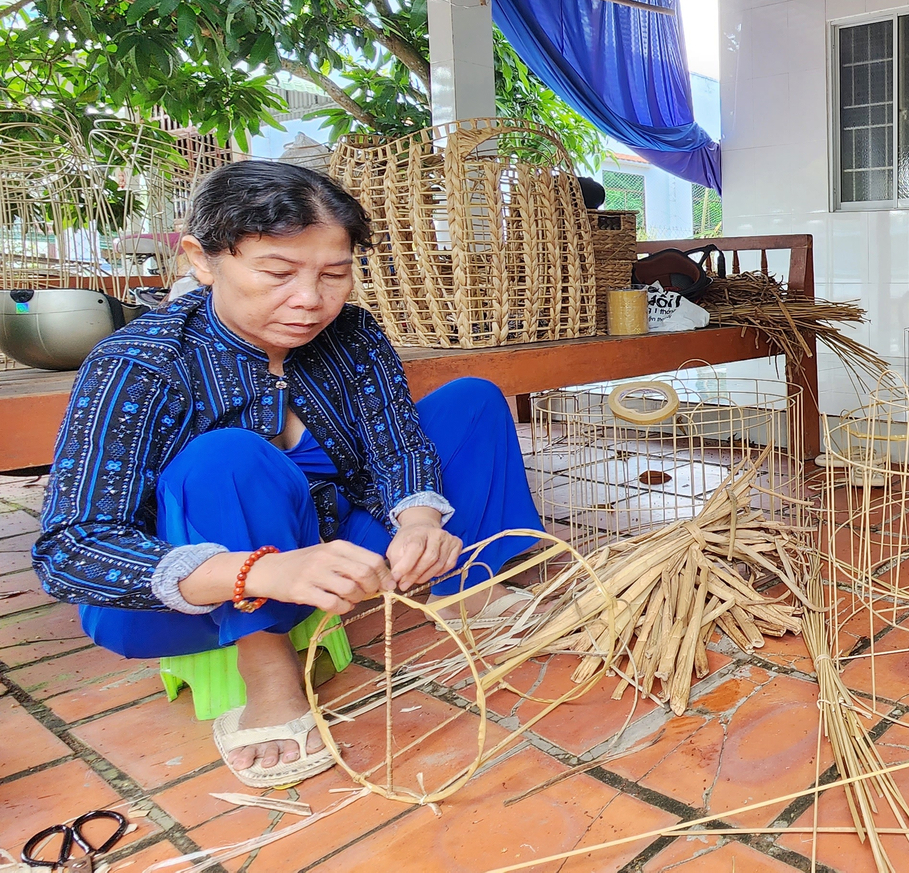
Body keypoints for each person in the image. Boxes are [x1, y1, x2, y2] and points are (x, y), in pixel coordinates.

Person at [32, 160, 544, 789]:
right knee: (226, 456)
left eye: (334, 274)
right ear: (202, 258)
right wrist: (261, 570)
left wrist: (418, 521)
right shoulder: (141, 362)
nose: (309, 300)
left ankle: (467, 584)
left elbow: (398, 441)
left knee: (470, 400)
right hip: (193, 598)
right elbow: (70, 549)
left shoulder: (351, 333)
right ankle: (269, 672)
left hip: (330, 539)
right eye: (277, 273)